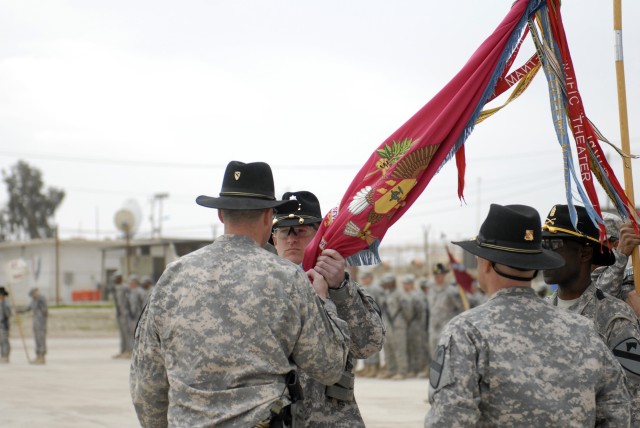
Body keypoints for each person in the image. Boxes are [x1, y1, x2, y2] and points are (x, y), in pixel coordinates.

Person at [130, 161, 350, 427]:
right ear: (269, 217)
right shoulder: (287, 278)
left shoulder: (172, 277)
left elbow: (147, 383)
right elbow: (328, 367)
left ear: (221, 214)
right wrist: (325, 301)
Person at [426, 203, 631, 426]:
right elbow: (617, 411)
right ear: (535, 263)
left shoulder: (466, 332)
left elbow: (449, 419)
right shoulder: (584, 329)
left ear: (486, 263)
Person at [271, 190, 384, 427]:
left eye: (300, 231)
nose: (291, 239)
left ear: (319, 236)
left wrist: (339, 289)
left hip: (332, 418)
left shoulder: (340, 288)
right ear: (273, 239)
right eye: (283, 231)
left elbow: (369, 345)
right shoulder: (261, 289)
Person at [542, 204, 640, 423]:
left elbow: (632, 398)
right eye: (543, 244)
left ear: (585, 252)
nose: (545, 253)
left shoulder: (614, 316)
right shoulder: (541, 312)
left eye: (555, 244)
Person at [378, 273, 411, 380]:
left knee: (399, 348)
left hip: (398, 325)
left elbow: (407, 310)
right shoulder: (386, 294)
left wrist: (403, 321)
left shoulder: (400, 293)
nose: (386, 284)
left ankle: (402, 371)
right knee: (388, 348)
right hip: (388, 325)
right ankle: (391, 369)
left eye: (388, 282)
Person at [427, 263, 464, 360]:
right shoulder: (431, 290)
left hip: (446, 327)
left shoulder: (451, 290)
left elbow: (461, 309)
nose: (437, 278)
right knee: (433, 352)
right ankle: (435, 374)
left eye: (439, 275)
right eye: (435, 275)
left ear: (444, 275)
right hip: (433, 327)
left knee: (446, 354)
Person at [18, 288, 48, 364]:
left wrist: (39, 297)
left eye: (33, 294)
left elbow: (45, 311)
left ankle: (42, 357)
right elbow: (28, 308)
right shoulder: (34, 301)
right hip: (36, 324)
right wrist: (19, 310)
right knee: (37, 340)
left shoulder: (41, 299)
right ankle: (38, 356)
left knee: (41, 340)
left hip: (41, 324)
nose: (33, 296)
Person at [112, 271, 131, 359]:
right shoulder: (115, 288)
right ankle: (123, 350)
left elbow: (129, 301)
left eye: (117, 278)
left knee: (127, 333)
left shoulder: (125, 288)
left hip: (125, 313)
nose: (115, 280)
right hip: (119, 314)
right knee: (122, 333)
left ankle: (129, 350)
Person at [0, 286, 11, 363]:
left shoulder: (5, 304)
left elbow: (8, 314)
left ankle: (5, 356)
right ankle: (3, 355)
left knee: (4, 341)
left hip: (3, 325)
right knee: (1, 341)